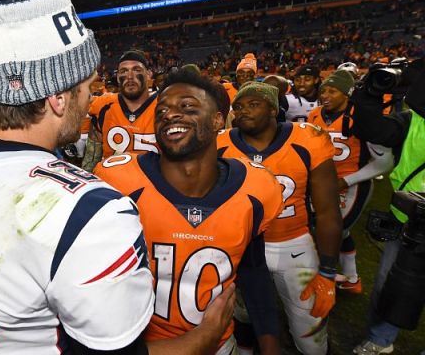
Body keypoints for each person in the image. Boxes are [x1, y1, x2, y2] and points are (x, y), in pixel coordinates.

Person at [0, 0, 234, 353]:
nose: (90, 98)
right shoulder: (93, 215)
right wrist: (203, 338)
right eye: (87, 87)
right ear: (58, 98)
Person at [94, 69, 284, 354]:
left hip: (219, 345)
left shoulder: (256, 189)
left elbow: (253, 271)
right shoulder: (119, 182)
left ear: (218, 119)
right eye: (162, 111)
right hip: (141, 345)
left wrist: (270, 345)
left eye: (187, 106)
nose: (169, 115)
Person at [217, 82, 343, 354]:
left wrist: (328, 272)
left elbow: (328, 211)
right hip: (243, 247)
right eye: (238, 107)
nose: (243, 111)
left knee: (310, 333)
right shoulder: (220, 144)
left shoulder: (308, 139)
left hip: (293, 244)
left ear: (274, 109)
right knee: (243, 318)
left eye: (253, 104)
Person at [350, 59, 425, 355]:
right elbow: (374, 130)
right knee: (387, 285)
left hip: (410, 216)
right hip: (408, 219)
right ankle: (380, 339)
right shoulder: (414, 119)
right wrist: (368, 95)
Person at [308, 70, 394, 294]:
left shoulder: (363, 117)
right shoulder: (315, 114)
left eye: (332, 91)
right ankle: (352, 279)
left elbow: (385, 162)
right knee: (337, 231)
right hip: (322, 182)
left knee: (331, 229)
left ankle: (322, 275)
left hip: (353, 184)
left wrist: (346, 181)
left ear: (347, 94)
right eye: (323, 90)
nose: (325, 95)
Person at [82, 50, 158, 171]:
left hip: (152, 186)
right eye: (124, 71)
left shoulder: (164, 106)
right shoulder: (104, 106)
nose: (130, 76)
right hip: (113, 184)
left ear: (148, 74)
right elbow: (91, 161)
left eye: (137, 69)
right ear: (118, 77)